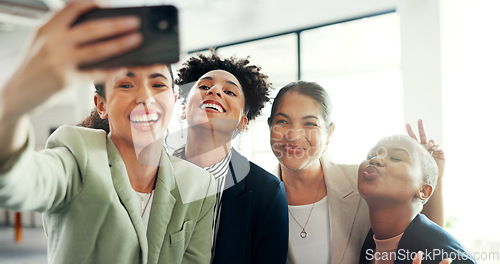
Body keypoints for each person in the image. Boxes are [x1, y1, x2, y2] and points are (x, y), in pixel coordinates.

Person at [0, 1, 215, 263]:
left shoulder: (197, 184)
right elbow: (14, 181)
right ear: (101, 105)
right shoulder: (77, 157)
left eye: (157, 84)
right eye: (126, 84)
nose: (145, 97)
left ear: (173, 97)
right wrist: (13, 105)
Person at [267, 81, 445, 264]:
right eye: (282, 121)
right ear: (270, 126)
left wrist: (428, 174)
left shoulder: (366, 181)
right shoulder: (257, 198)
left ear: (329, 134)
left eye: (310, 124)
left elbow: (423, 240)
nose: (294, 135)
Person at [172, 53, 289, 263]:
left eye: (229, 91)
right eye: (203, 86)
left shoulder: (267, 192)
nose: (214, 91)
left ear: (242, 123)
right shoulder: (149, 173)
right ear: (183, 110)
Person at [358, 135, 476, 264]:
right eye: (370, 156)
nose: (375, 159)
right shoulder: (367, 243)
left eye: (396, 158)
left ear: (424, 191)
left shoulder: (452, 258)